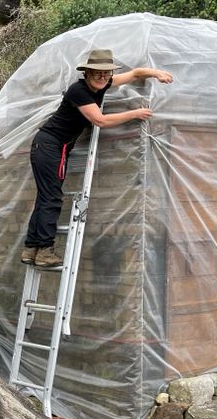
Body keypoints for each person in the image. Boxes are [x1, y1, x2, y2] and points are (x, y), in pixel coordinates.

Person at [22, 49, 173, 268]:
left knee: (45, 198)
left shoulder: (103, 83)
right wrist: (134, 114)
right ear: (87, 72)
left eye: (106, 73)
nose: (103, 77)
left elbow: (135, 74)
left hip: (49, 147)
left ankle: (31, 248)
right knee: (52, 199)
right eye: (98, 73)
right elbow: (100, 120)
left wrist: (157, 73)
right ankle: (45, 250)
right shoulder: (79, 91)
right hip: (51, 146)